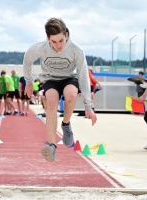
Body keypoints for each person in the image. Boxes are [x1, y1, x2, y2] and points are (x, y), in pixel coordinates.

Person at [23, 17, 97, 162]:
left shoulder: (76, 50)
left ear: (66, 35)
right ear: (48, 38)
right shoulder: (40, 47)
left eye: (61, 41)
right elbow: (27, 60)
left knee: (70, 95)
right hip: (50, 78)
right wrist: (29, 82)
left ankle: (66, 124)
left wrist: (88, 106)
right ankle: (51, 146)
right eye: (54, 42)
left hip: (70, 77)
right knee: (51, 101)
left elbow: (83, 75)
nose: (58, 46)